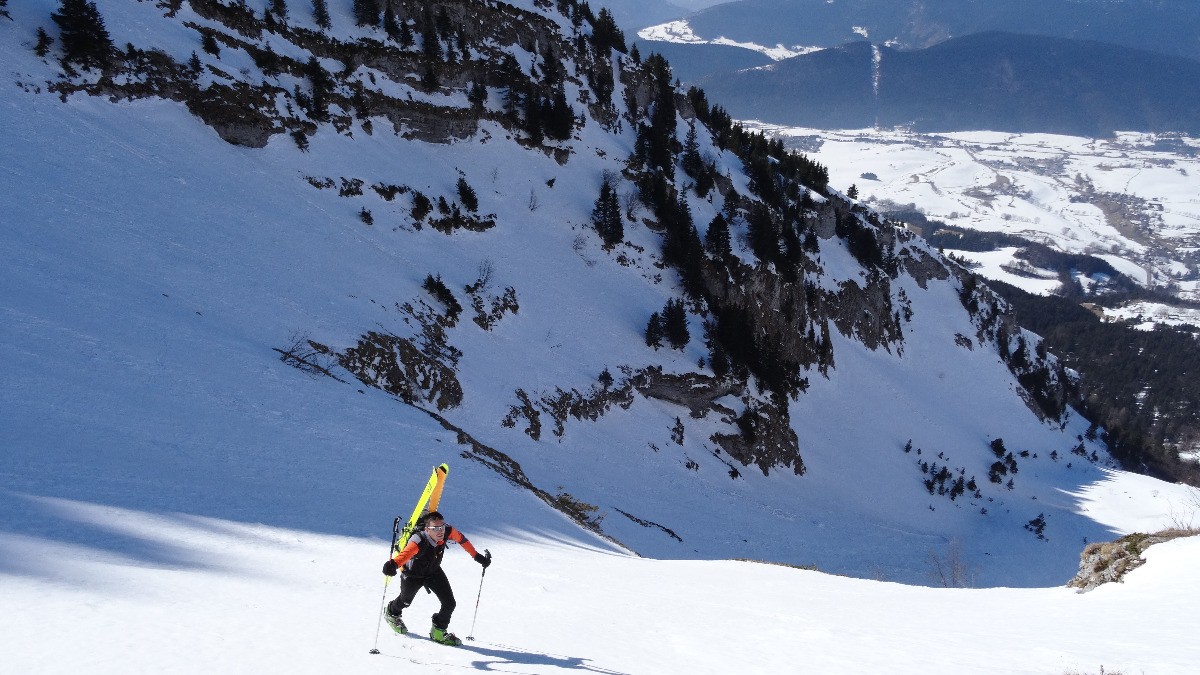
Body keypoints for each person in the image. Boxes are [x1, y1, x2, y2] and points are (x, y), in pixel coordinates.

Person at [382, 511, 491, 646]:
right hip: (412, 575)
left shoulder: (447, 531)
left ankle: (438, 632)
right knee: (405, 601)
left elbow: (462, 540)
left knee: (450, 603)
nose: (440, 531)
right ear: (427, 529)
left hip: (433, 571)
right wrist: (393, 565)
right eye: (436, 528)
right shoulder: (418, 540)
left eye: (442, 527)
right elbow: (405, 554)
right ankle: (392, 613)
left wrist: (477, 556)